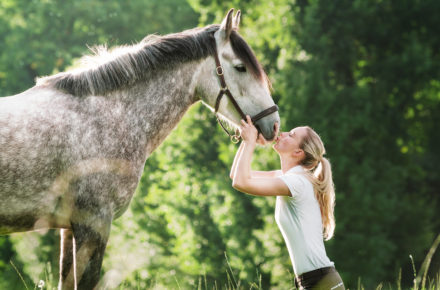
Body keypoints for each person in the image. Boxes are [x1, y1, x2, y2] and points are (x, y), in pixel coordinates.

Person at [230, 116, 345, 290]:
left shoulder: (297, 182)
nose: (282, 134)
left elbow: (241, 182)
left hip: (320, 282)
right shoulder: (288, 178)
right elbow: (236, 174)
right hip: (316, 281)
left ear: (298, 152)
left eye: (290, 135)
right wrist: (247, 141)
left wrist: (250, 141)